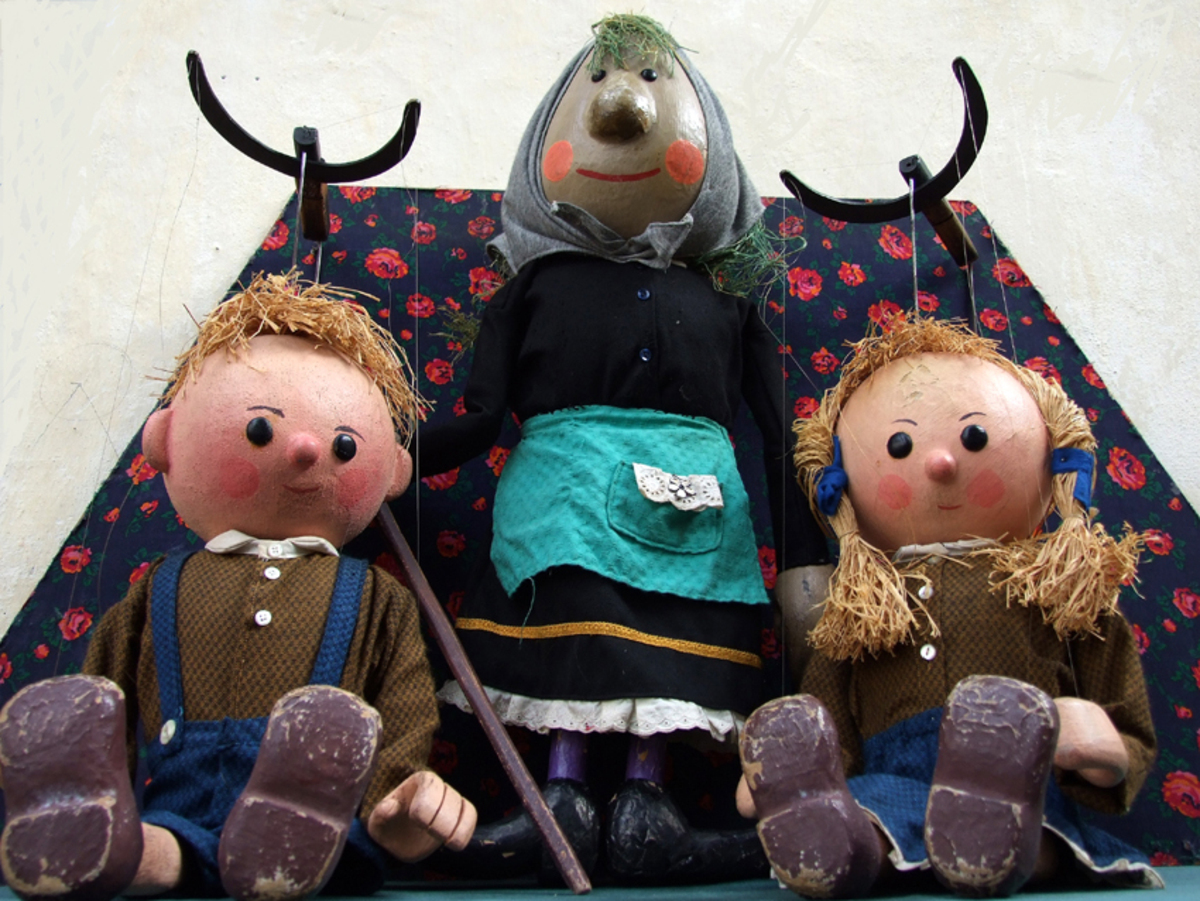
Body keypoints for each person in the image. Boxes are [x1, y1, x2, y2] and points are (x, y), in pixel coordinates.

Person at [415, 14, 830, 883]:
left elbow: (781, 428)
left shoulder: (727, 301)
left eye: (648, 85)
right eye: (598, 88)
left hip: (695, 512)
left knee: (669, 646)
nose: (621, 111)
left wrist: (809, 544)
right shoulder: (531, 287)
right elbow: (480, 415)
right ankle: (560, 793)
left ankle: (649, 800)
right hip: (562, 505)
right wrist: (396, 457)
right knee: (574, 631)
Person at [0, 273, 476, 901]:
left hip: (327, 820)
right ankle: (98, 834)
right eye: (260, 429)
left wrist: (399, 796)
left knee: (308, 812)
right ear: (165, 439)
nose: (304, 449)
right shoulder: (159, 587)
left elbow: (405, 702)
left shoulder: (376, 598)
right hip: (177, 798)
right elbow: (104, 687)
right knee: (159, 839)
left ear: (393, 471)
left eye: (343, 444)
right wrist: (88, 762)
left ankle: (236, 843)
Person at [737, 316, 1160, 897]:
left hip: (1024, 782)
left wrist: (1101, 745)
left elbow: (1124, 720)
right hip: (890, 784)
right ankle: (828, 840)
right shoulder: (863, 600)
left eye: (974, 436)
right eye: (901, 446)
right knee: (867, 820)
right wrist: (791, 773)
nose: (940, 463)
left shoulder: (1058, 582)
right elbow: (829, 711)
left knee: (1034, 827)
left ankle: (996, 837)